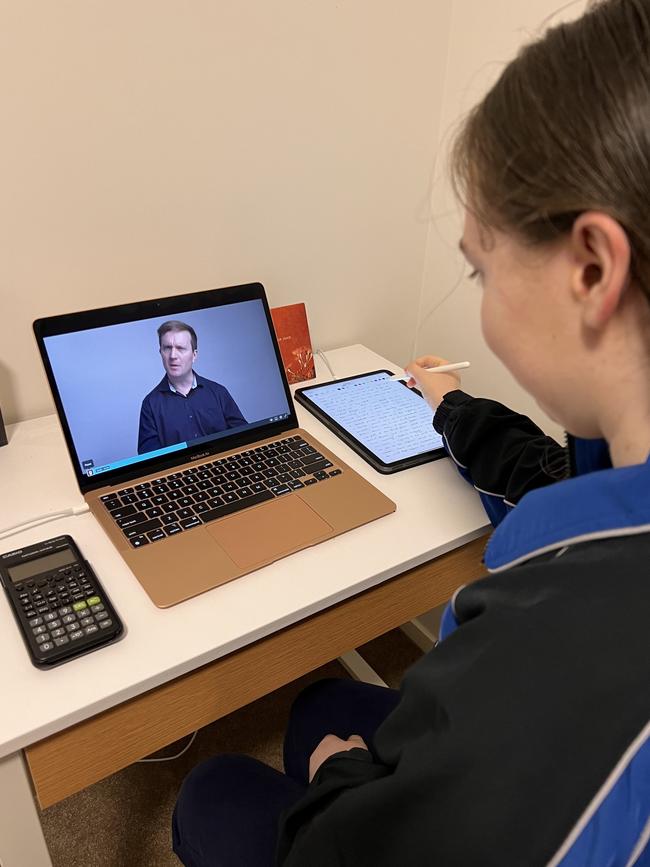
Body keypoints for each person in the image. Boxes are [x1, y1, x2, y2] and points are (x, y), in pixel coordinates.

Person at [172, 1, 650, 864]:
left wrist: (339, 783)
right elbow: (550, 475)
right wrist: (443, 407)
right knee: (322, 703)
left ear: (591, 268)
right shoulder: (615, 471)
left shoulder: (565, 646)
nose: (484, 309)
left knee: (212, 791)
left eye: (480, 267)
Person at [137, 320, 247, 454]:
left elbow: (245, 437)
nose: (173, 356)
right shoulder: (150, 404)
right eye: (167, 348)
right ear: (160, 352)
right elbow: (150, 460)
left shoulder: (218, 392)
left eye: (180, 348)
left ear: (194, 355)